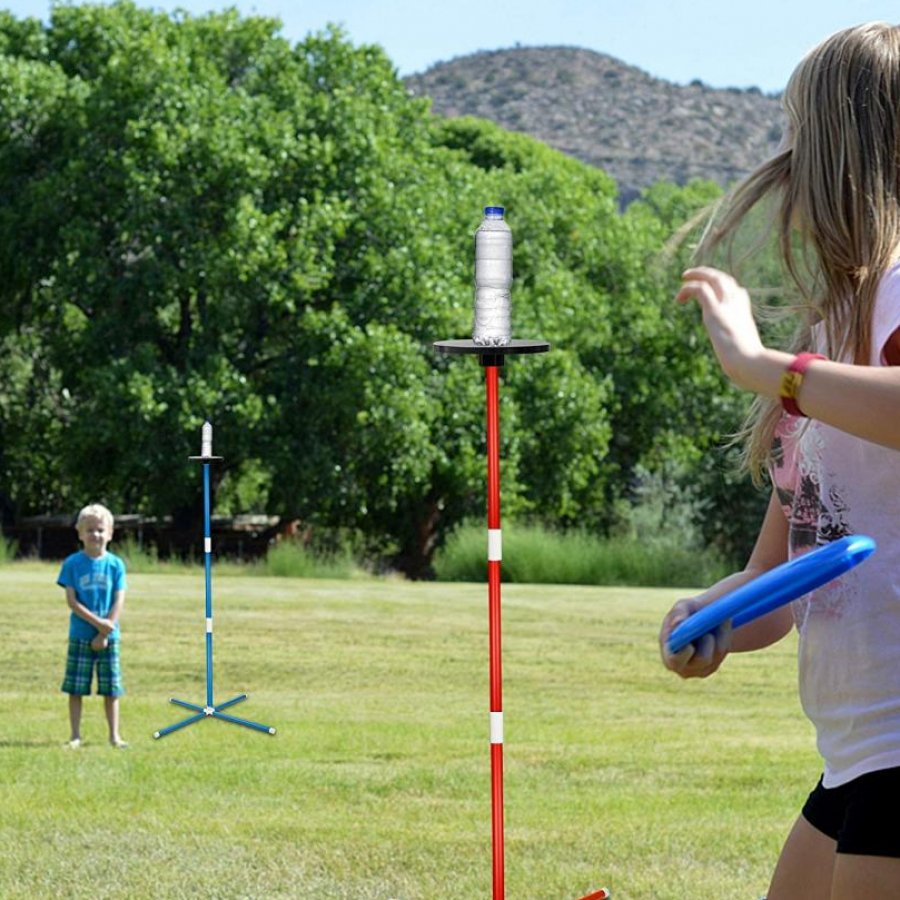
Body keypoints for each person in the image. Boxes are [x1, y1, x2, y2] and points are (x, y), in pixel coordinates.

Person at [658, 22, 900, 900]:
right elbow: (779, 578)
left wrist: (768, 369)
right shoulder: (828, 338)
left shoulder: (895, 297)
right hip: (857, 750)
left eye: (799, 131)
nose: (783, 162)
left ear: (842, 149)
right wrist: (711, 616)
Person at [58, 503, 128, 749]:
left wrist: (106, 630)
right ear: (80, 533)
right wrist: (99, 625)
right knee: (76, 688)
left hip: (110, 637)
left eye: (100, 530)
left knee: (111, 689)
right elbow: (72, 601)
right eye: (89, 530)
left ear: (110, 533)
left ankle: (114, 736)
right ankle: (75, 735)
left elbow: (119, 599)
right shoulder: (72, 564)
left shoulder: (116, 565)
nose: (95, 535)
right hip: (81, 634)